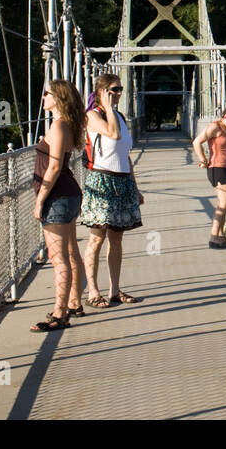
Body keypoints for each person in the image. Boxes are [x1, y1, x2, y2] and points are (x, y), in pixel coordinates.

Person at [79, 73, 144, 307]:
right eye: (114, 89)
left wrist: (136, 188)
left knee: (117, 239)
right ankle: (93, 292)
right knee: (97, 239)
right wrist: (106, 107)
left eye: (120, 89)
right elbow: (113, 134)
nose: (118, 93)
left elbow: (125, 155)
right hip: (102, 181)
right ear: (102, 91)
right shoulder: (92, 116)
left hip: (123, 181)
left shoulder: (120, 116)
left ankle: (115, 290)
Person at [31, 80, 87, 332]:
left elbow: (53, 167)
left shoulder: (59, 124)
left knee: (58, 257)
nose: (43, 98)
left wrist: (40, 198)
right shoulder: (66, 124)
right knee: (71, 251)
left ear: (59, 98)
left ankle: (60, 314)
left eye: (47, 94)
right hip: (68, 194)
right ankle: (74, 302)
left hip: (57, 197)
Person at [192, 100, 226, 248]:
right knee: (224, 204)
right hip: (217, 167)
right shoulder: (214, 126)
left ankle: (220, 235)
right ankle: (214, 236)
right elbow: (197, 142)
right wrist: (203, 159)